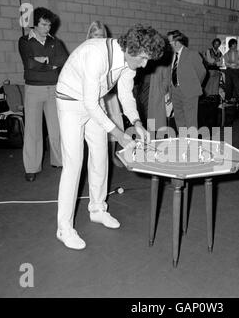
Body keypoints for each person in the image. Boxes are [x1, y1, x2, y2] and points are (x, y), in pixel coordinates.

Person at [55, 24, 165, 250]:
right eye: (144, 58)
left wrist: (136, 123)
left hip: (95, 102)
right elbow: (89, 104)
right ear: (131, 49)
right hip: (70, 103)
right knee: (74, 163)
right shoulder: (96, 55)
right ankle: (64, 229)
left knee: (100, 156)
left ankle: (97, 209)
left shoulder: (128, 61)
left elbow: (125, 94)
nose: (145, 64)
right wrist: (119, 134)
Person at [18, 7, 68, 182]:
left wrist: (42, 61)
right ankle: (31, 167)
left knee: (57, 129)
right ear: (35, 24)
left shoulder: (56, 42)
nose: (48, 28)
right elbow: (29, 64)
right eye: (44, 24)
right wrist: (49, 63)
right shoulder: (24, 41)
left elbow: (62, 60)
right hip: (33, 90)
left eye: (50, 25)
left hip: (54, 89)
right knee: (32, 130)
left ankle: (59, 161)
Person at [86, 20, 124, 167]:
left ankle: (113, 155)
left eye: (101, 35)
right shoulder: (86, 50)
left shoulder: (109, 50)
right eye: (95, 35)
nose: (98, 38)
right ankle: (99, 158)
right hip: (93, 96)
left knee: (115, 122)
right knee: (98, 126)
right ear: (89, 36)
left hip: (109, 94)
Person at [167, 30, 206, 129]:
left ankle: (192, 143)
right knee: (179, 120)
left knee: (191, 122)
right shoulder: (171, 56)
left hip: (189, 92)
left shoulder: (192, 54)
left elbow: (202, 72)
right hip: (175, 92)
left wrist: (193, 85)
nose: (169, 44)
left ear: (176, 42)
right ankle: (183, 142)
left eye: (170, 42)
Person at [223, 38, 239, 102]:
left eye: (236, 44)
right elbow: (226, 63)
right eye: (234, 44)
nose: (235, 45)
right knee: (228, 85)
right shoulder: (226, 54)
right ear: (231, 45)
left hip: (235, 71)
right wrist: (232, 64)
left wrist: (234, 63)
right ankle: (227, 99)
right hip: (229, 71)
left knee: (237, 85)